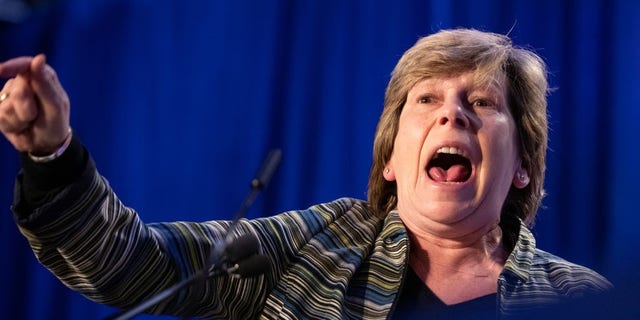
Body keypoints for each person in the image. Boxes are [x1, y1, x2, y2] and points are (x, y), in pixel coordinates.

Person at [0, 28, 612, 319]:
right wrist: (54, 157)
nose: (452, 110)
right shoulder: (315, 248)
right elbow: (133, 264)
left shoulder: (579, 299)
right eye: (426, 100)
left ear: (525, 166)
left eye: (481, 102)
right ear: (391, 162)